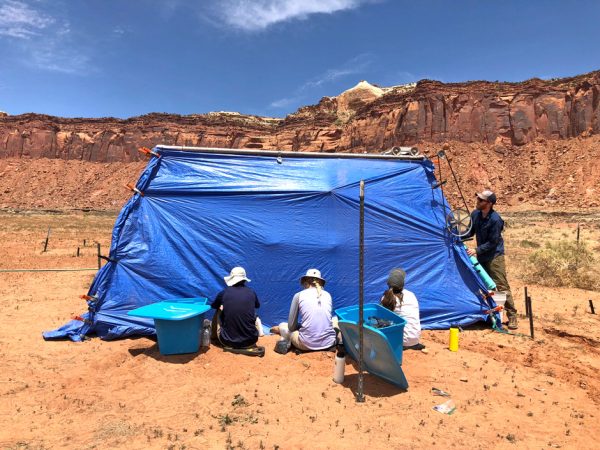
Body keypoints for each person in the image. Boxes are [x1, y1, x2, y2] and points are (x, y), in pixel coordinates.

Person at [465, 190, 518, 329]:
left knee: (501, 286)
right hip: (482, 256)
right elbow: (470, 232)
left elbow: (493, 242)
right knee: (484, 285)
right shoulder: (475, 214)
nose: (477, 202)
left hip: (495, 257)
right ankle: (491, 313)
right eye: (478, 199)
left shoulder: (495, 219)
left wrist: (476, 250)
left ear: (489, 204)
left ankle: (512, 315)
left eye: (481, 200)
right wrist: (457, 235)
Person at [274, 269, 337, 352]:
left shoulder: (299, 295)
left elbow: (291, 327)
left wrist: (299, 327)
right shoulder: (328, 295)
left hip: (306, 344)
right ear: (320, 282)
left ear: (305, 282)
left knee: (283, 325)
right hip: (330, 343)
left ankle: (285, 338)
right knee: (335, 319)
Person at [211, 266, 261, 348]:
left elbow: (214, 306)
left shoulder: (224, 293)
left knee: (218, 310)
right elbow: (257, 306)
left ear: (232, 279)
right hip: (251, 341)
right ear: (244, 279)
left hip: (227, 342)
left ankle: (213, 337)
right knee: (252, 311)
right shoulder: (251, 292)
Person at [380, 268, 423, 350]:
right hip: (415, 339)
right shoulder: (411, 295)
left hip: (400, 342)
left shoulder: (385, 298)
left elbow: (383, 320)